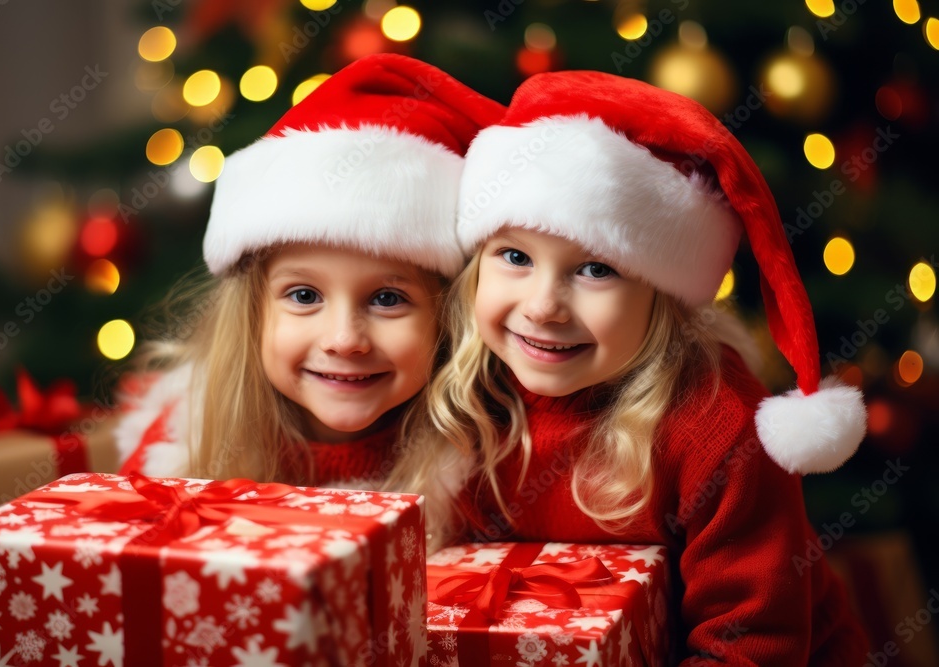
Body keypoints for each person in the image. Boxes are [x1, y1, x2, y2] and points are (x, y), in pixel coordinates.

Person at [390, 71, 869, 664]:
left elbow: (751, 645)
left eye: (595, 270)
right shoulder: (468, 391)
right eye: (515, 256)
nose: (542, 306)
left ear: (661, 297)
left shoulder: (716, 428)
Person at [114, 54, 504, 490]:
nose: (343, 340)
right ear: (253, 313)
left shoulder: (485, 456)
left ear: (449, 318)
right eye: (304, 296)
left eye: (387, 299)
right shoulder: (181, 443)